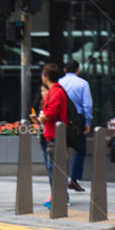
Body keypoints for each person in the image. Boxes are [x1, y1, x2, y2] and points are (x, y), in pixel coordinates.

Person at [38, 62, 69, 210]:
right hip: (50, 133)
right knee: (52, 166)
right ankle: (56, 196)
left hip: (53, 134)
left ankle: (58, 197)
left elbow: (52, 112)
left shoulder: (56, 91)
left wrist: (42, 118)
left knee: (53, 167)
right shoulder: (54, 91)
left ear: (46, 76)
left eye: (43, 74)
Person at [59, 59, 93, 192]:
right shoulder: (83, 84)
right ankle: (74, 179)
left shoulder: (59, 83)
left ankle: (61, 178)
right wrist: (88, 122)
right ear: (78, 70)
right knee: (80, 149)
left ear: (64, 70)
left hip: (61, 119)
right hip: (77, 119)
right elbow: (87, 105)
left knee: (62, 149)